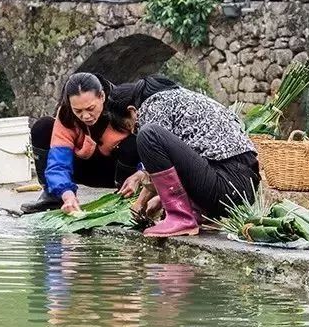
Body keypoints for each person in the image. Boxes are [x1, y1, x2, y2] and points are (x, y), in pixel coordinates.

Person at [107, 76, 260, 237]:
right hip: (239, 187)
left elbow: (156, 155)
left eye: (130, 126)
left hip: (227, 184)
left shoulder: (154, 104)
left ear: (132, 111)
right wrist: (161, 200)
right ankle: (196, 214)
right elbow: (182, 162)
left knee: (148, 135)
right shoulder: (178, 98)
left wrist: (139, 204)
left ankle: (180, 218)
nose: (133, 131)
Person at [20, 72, 140, 214]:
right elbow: (58, 163)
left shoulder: (122, 108)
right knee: (43, 127)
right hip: (83, 166)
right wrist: (66, 193)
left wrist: (141, 175)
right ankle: (53, 197)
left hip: (117, 170)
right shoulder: (66, 115)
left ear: (102, 96)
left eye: (90, 109)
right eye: (78, 110)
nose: (85, 116)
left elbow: (151, 148)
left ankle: (126, 195)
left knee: (133, 143)